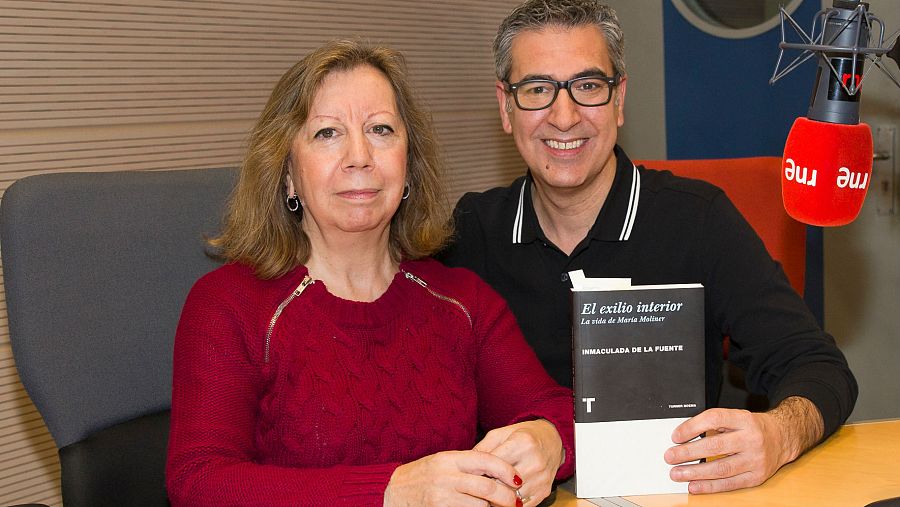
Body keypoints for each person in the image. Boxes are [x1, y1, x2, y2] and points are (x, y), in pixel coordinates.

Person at [438, 0, 857, 495]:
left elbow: (819, 367)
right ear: (505, 107)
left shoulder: (697, 220)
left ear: (619, 99)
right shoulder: (472, 232)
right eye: (537, 89)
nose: (564, 116)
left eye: (587, 86)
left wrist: (779, 433)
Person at [165, 40, 573, 507]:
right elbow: (199, 481)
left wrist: (548, 440)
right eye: (327, 133)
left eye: (380, 130)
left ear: (409, 166)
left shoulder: (462, 300)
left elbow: (558, 409)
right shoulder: (229, 304)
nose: (359, 156)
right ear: (288, 173)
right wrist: (393, 492)